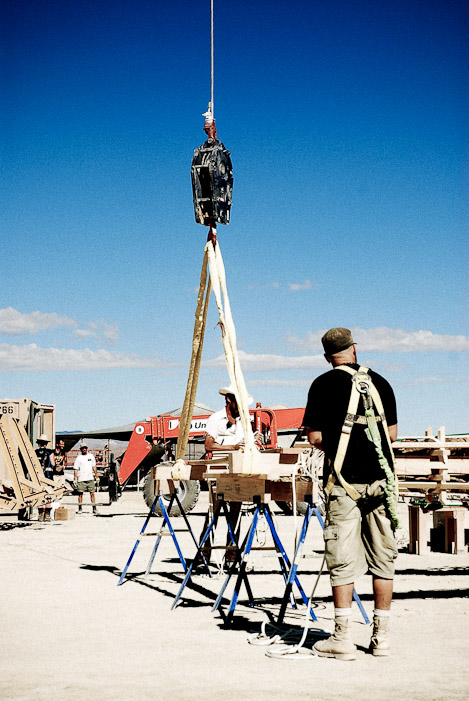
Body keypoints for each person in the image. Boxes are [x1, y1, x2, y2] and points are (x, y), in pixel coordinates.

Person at [303, 327, 398, 660]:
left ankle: (342, 639)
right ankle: (381, 638)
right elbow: (391, 433)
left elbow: (314, 437)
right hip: (381, 483)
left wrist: (339, 440)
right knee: (384, 559)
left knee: (341, 559)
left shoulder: (322, 384)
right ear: (354, 349)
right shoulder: (380, 382)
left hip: (343, 483)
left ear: (328, 357)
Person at [73, 443, 99, 515]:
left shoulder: (91, 456)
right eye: (83, 448)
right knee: (80, 494)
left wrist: (96, 476)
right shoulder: (79, 458)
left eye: (85, 448)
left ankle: (94, 508)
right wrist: (75, 479)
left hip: (90, 478)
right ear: (81, 449)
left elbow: (94, 467)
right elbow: (76, 469)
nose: (84, 449)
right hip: (81, 478)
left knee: (92, 493)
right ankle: (80, 508)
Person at [35, 434, 55, 522]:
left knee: (39, 494)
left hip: (38, 476)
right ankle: (47, 514)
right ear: (46, 443)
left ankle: (40, 514)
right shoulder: (49, 452)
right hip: (48, 474)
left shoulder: (35, 452)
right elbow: (53, 463)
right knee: (48, 494)